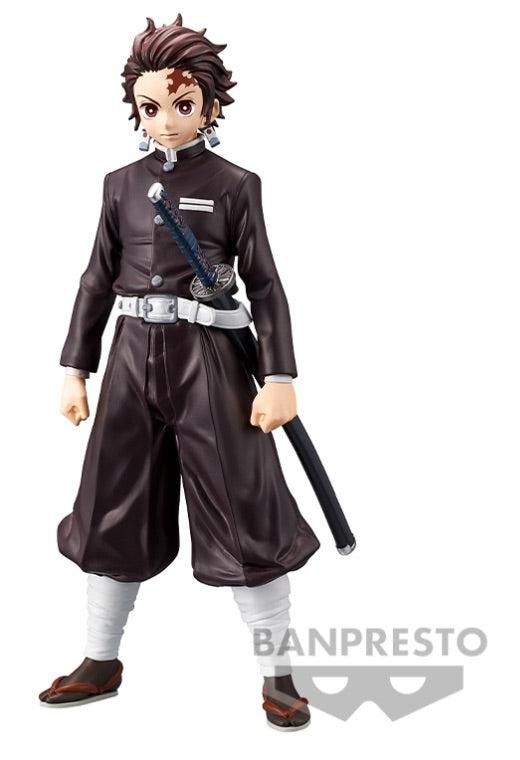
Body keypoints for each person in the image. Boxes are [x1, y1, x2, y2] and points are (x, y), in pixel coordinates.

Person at [38, 14, 320, 730]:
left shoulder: (235, 184)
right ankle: (100, 659)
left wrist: (279, 377)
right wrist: (75, 367)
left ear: (211, 105)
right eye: (151, 106)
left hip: (210, 362)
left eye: (183, 104)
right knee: (112, 505)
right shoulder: (119, 185)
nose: (166, 121)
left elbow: (265, 284)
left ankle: (279, 674)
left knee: (244, 505)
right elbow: (96, 278)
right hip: (131, 356)